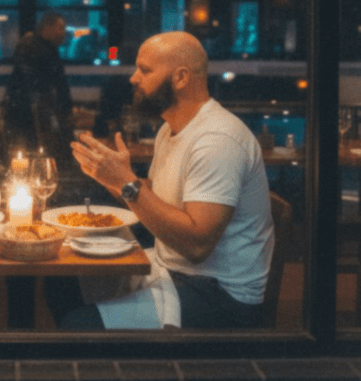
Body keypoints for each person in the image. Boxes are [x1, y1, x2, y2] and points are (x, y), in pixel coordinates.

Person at [48, 30, 274, 330]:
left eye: (145, 70)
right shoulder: (171, 129)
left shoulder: (217, 140)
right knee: (60, 285)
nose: (133, 78)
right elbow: (156, 199)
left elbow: (196, 245)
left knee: (78, 325)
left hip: (220, 295)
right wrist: (113, 179)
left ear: (180, 78)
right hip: (173, 271)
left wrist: (127, 183)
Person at [2, 11, 73, 169]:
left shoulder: (34, 46)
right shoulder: (39, 50)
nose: (63, 32)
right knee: (35, 154)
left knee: (27, 155)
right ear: (47, 28)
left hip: (27, 114)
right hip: (32, 117)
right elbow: (48, 85)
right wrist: (60, 111)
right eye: (60, 27)